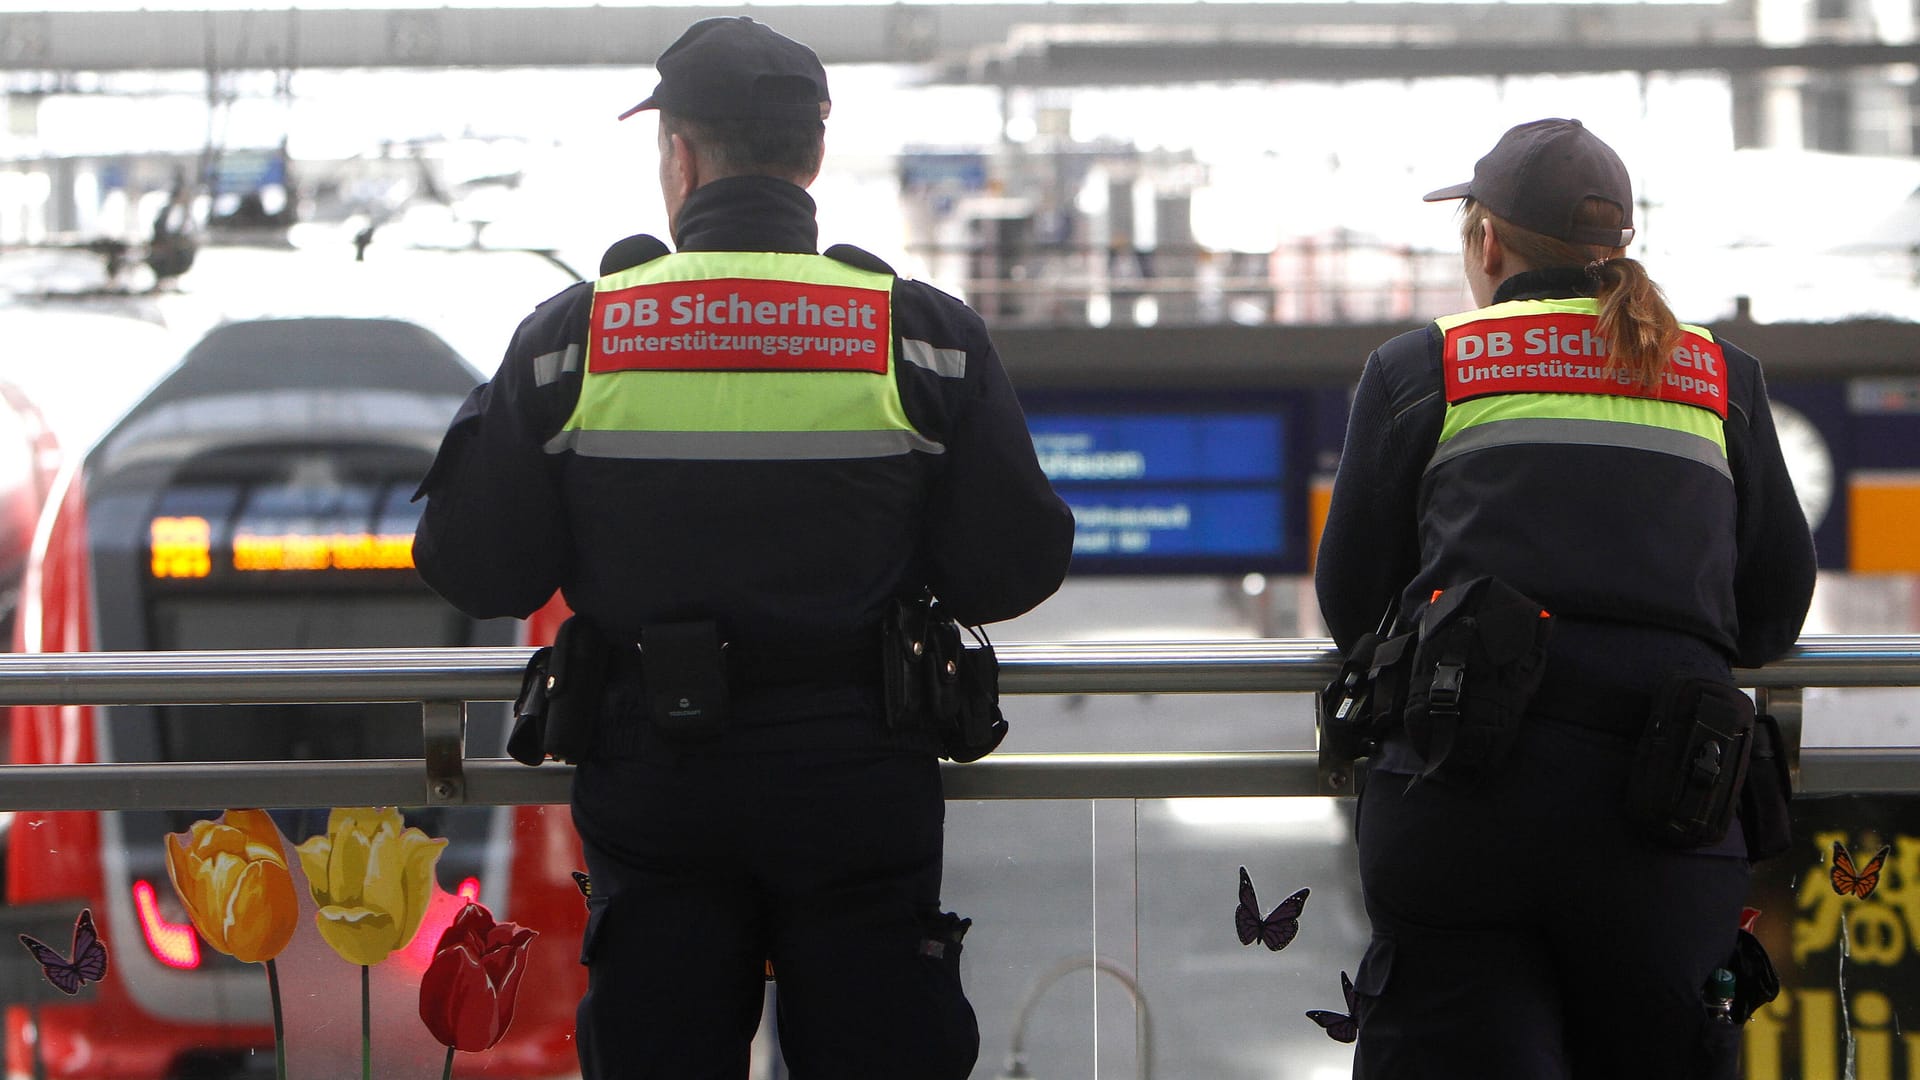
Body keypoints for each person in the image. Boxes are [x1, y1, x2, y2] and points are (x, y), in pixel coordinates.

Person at [410, 16, 1074, 1080]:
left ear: (677, 154)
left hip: (654, 781)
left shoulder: (574, 342)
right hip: (860, 776)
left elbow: (475, 567)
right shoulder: (919, 337)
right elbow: (1015, 566)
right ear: (811, 157)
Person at [1314, 117, 1815, 1079]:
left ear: (1488, 242)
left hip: (1462, 803)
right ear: (1619, 247)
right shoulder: (1723, 379)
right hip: (1669, 811)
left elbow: (1354, 605)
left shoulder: (1425, 371)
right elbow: (1771, 613)